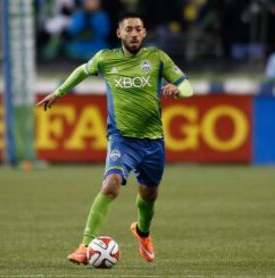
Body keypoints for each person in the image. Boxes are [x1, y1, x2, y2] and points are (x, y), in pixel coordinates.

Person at [37, 12, 194, 264]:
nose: (134, 33)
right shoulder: (106, 59)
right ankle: (85, 245)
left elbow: (188, 86)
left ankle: (142, 233)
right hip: (122, 138)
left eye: (138, 29)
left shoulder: (157, 58)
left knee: (149, 195)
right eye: (129, 29)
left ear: (144, 33)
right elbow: (81, 70)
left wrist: (178, 90)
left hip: (153, 142)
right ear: (119, 33)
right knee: (110, 185)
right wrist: (58, 92)